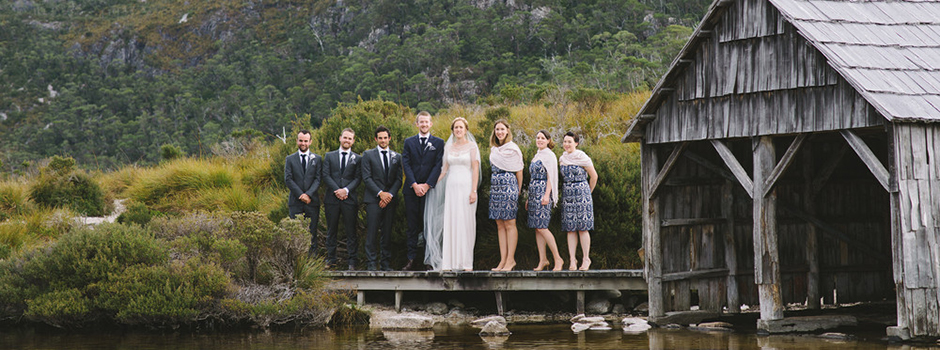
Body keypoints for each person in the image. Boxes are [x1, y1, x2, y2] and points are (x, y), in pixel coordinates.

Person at [428, 117, 481, 271]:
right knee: (451, 221)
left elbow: (475, 169)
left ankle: (465, 263)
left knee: (465, 222)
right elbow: (444, 170)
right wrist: (431, 184)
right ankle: (449, 262)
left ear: (466, 130)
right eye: (456, 127)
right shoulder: (448, 147)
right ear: (453, 130)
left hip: (466, 187)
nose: (458, 130)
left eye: (461, 127)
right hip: (451, 188)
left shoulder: (472, 147)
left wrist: (474, 190)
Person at [401, 111, 445, 271]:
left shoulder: (439, 143)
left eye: (427, 122)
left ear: (431, 124)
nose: (424, 124)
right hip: (411, 190)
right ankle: (411, 260)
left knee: (429, 226)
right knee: (412, 226)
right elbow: (406, 163)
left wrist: (427, 185)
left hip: (430, 191)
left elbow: (438, 165)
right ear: (417, 124)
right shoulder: (409, 142)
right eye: (421, 122)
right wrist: (414, 184)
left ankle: (428, 260)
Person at [361, 126, 402, 271]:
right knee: (372, 232)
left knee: (387, 232)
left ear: (389, 138)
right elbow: (366, 177)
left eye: (385, 138)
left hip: (390, 200)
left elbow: (398, 180)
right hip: (373, 199)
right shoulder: (368, 155)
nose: (383, 140)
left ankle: (385, 264)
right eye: (380, 138)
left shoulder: (397, 156)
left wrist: (389, 195)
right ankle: (371, 264)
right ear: (375, 139)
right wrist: (380, 194)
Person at [322, 128, 362, 270]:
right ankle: (331, 260)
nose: (347, 140)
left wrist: (345, 190)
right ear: (340, 138)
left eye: (350, 138)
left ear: (353, 141)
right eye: (345, 137)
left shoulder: (357, 158)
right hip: (332, 199)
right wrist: (337, 190)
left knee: (351, 231)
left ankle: (352, 262)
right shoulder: (329, 156)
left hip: (349, 199)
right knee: (331, 230)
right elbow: (325, 175)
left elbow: (358, 178)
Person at [487, 120, 524, 271]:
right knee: (500, 225)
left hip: (509, 187)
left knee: (509, 224)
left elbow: (519, 170)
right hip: (496, 188)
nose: (499, 132)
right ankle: (502, 261)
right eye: (497, 129)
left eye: (502, 129)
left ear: (508, 131)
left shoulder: (513, 149)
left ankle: (511, 260)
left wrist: (518, 190)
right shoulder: (494, 149)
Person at [559, 131, 598, 271]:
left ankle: (586, 259)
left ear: (576, 143)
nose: (567, 144)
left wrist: (588, 192)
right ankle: (572, 260)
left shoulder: (582, 157)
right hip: (568, 195)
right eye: (565, 141)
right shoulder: (562, 159)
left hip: (582, 193)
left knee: (583, 228)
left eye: (569, 142)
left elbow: (594, 177)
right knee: (570, 229)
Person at [527, 130, 564, 271]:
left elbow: (551, 177)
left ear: (548, 140)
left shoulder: (549, 155)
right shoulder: (537, 155)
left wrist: (547, 195)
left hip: (543, 192)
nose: (539, 140)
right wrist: (529, 197)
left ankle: (558, 258)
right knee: (537, 228)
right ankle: (543, 259)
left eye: (542, 138)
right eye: (537, 138)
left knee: (542, 226)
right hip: (533, 193)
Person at [285, 130, 321, 256]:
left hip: (312, 202)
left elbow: (318, 179)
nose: (303, 143)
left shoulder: (317, 159)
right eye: (301, 140)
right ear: (297, 141)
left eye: (306, 141)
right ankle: (297, 259)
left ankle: (312, 261)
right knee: (295, 232)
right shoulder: (290, 159)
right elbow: (288, 179)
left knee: (312, 231)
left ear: (310, 142)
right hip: (296, 202)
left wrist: (309, 194)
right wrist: (301, 195)